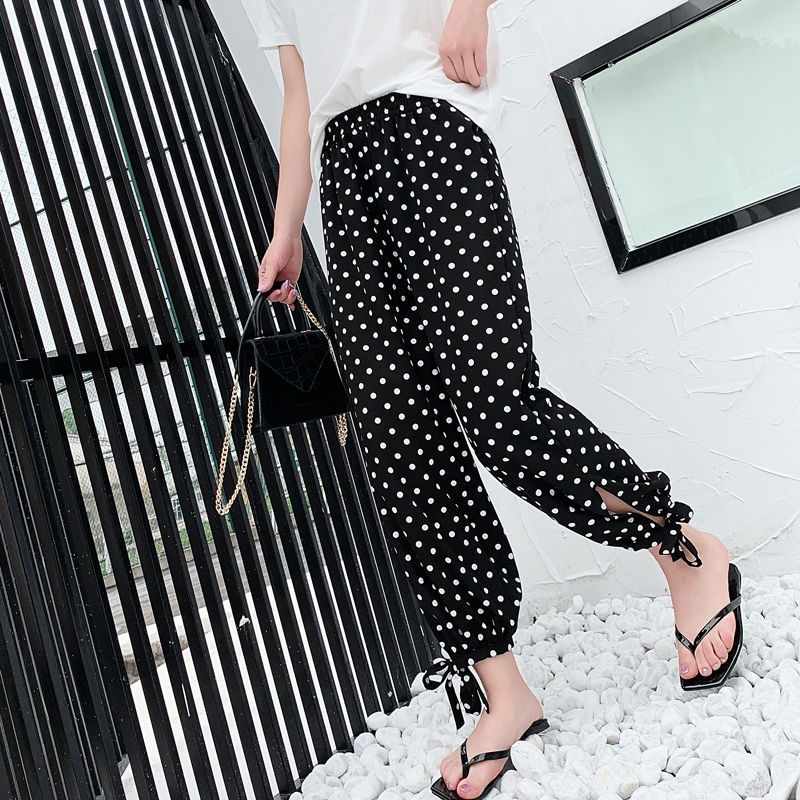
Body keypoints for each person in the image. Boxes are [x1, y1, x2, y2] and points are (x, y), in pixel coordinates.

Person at [245, 1, 744, 797]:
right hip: (343, 175)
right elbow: (300, 94)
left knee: (499, 409)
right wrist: (287, 228)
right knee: (402, 446)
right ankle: (503, 691)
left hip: (432, 123)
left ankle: (682, 550)